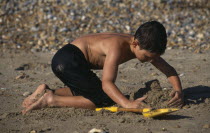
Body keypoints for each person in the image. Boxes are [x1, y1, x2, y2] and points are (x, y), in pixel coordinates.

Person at [22, 21, 184, 114]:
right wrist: (127, 103)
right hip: (69, 60)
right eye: (148, 57)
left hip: (68, 59)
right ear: (135, 43)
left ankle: (46, 91)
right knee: (102, 100)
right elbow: (107, 83)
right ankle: (52, 100)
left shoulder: (142, 44)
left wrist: (178, 90)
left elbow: (168, 69)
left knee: (89, 90)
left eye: (154, 57)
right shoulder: (117, 47)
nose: (152, 60)